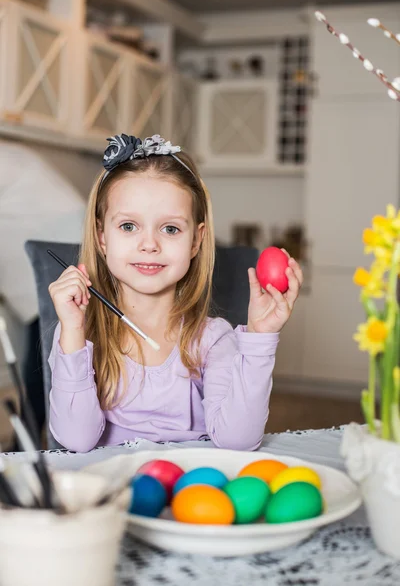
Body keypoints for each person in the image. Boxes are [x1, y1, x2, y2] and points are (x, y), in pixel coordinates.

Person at [48, 134, 303, 453]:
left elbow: (237, 440)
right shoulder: (82, 333)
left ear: (196, 241)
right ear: (102, 237)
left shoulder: (212, 340)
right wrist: (72, 331)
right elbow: (75, 440)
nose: (149, 244)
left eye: (170, 229)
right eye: (129, 226)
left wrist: (260, 338)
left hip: (190, 490)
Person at [0, 140, 86, 439]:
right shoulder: (13, 157)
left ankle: (25, 448)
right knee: (43, 364)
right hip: (57, 260)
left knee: (44, 366)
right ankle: (25, 445)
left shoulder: (7, 160)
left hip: (58, 262)